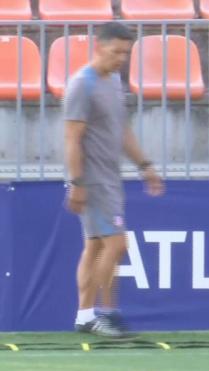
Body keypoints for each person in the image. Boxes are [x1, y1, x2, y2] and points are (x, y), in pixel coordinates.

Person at [64, 22, 164, 338]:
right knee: (117, 244)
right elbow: (72, 138)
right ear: (99, 46)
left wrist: (144, 165)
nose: (121, 57)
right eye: (116, 51)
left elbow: (121, 130)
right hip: (93, 180)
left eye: (126, 52)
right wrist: (76, 183)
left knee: (94, 247)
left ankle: (84, 316)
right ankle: (107, 314)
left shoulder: (114, 81)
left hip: (110, 177)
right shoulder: (82, 84)